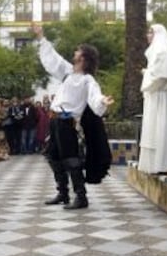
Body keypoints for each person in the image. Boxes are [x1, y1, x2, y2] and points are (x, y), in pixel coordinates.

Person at [33, 24, 114, 210]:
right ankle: (63, 193)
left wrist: (103, 101)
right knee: (52, 156)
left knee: (70, 159)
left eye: (78, 51)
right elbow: (54, 59)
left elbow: (95, 97)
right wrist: (41, 37)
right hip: (55, 120)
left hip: (66, 122)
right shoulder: (69, 73)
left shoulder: (88, 80)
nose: (74, 52)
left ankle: (81, 196)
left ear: (83, 58)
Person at [138, 24, 167, 175]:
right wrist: (147, 72)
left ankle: (160, 164)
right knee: (152, 130)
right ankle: (152, 164)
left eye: (151, 32)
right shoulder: (156, 54)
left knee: (160, 130)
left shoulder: (163, 53)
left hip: (161, 97)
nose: (148, 35)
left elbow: (161, 77)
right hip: (154, 97)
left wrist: (147, 74)